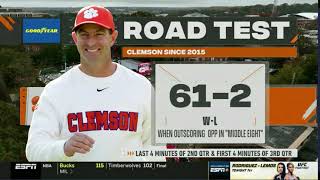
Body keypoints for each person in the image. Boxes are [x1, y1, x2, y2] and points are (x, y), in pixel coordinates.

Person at [26, 5, 164, 161]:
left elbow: (156, 146)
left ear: (113, 37)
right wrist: (63, 148)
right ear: (75, 38)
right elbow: (33, 150)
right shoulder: (55, 90)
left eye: (99, 34)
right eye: (84, 35)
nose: (91, 42)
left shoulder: (141, 86)